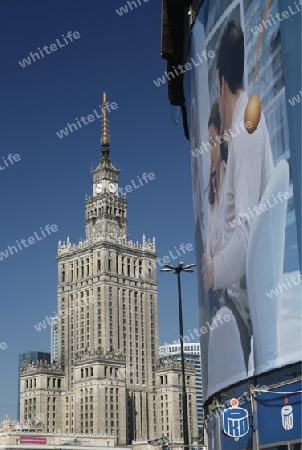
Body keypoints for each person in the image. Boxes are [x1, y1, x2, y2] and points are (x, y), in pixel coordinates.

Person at [203, 20, 274, 372]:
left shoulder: (245, 131)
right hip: (243, 305)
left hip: (243, 309)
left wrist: (212, 273)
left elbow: (246, 237)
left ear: (220, 83)